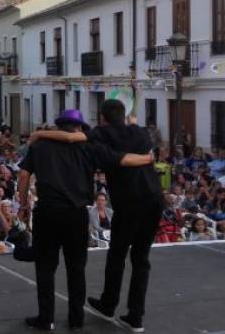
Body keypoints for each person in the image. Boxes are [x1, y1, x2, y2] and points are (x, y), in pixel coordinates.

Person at [31, 100, 164, 332]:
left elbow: (71, 138)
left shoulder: (100, 136)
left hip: (129, 203)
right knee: (141, 260)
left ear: (102, 118)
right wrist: (146, 159)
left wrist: (38, 134)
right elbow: (140, 152)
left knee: (117, 254)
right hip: (154, 199)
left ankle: (108, 303)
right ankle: (136, 317)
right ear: (124, 116)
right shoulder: (140, 132)